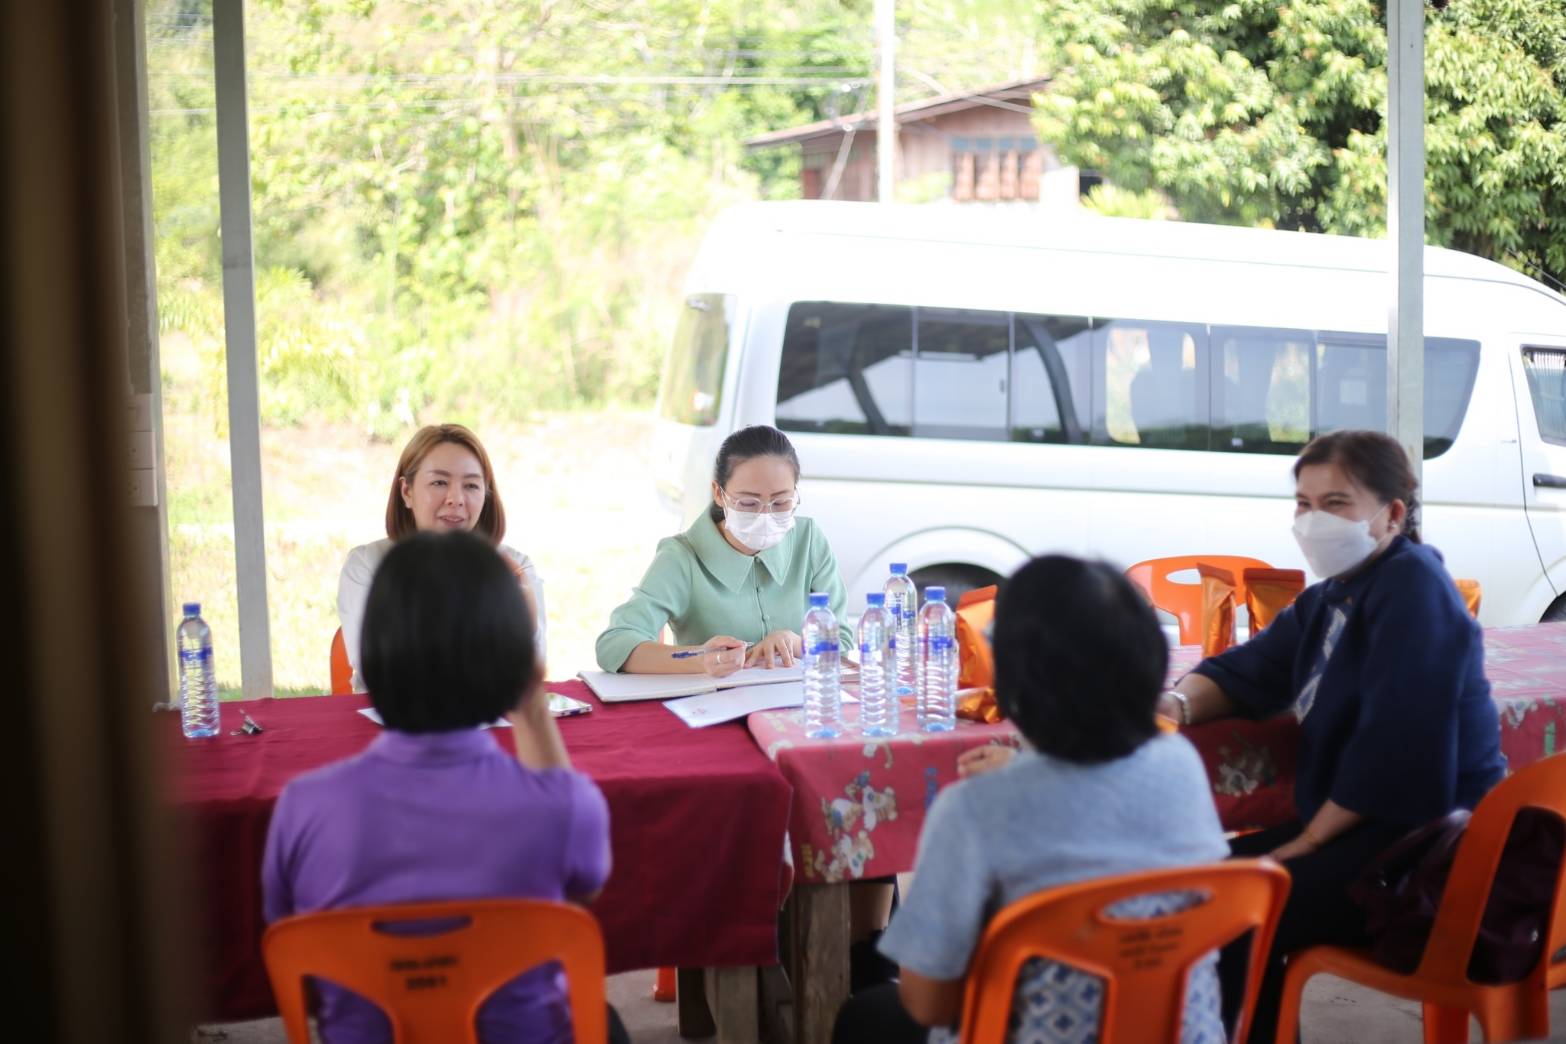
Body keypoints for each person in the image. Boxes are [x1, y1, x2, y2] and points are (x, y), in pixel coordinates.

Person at [1157, 429, 1506, 1043]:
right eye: (1303, 503)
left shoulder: (1414, 587)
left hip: (1432, 859)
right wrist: (1173, 704)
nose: (1314, 520)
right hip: (1375, 834)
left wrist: (1307, 842)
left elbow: (1398, 751)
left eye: (1336, 503)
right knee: (1208, 886)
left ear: (1392, 513)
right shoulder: (1330, 599)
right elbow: (1245, 671)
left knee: (1229, 908)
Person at [834, 555, 1229, 1044]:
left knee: (867, 1016)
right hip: (1174, 1029)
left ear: (1012, 678)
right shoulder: (1180, 765)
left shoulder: (975, 808)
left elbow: (929, 1001)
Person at [265, 531, 626, 1044]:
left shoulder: (302, 807)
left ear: (370, 649)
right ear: (517, 663)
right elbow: (582, 890)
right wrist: (531, 703)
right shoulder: (565, 804)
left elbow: (300, 981)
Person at [595, 424, 851, 674]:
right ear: (718, 493)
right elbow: (614, 645)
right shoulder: (682, 557)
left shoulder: (808, 540)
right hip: (710, 708)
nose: (765, 515)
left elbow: (844, 643)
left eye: (781, 501)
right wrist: (700, 659)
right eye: (749, 503)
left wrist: (799, 644)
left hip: (797, 708)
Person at [338, 423, 544, 691]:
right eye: (439, 482)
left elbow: (530, 670)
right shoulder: (367, 565)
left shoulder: (515, 568)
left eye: (471, 485)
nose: (456, 499)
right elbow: (379, 668)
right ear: (407, 492)